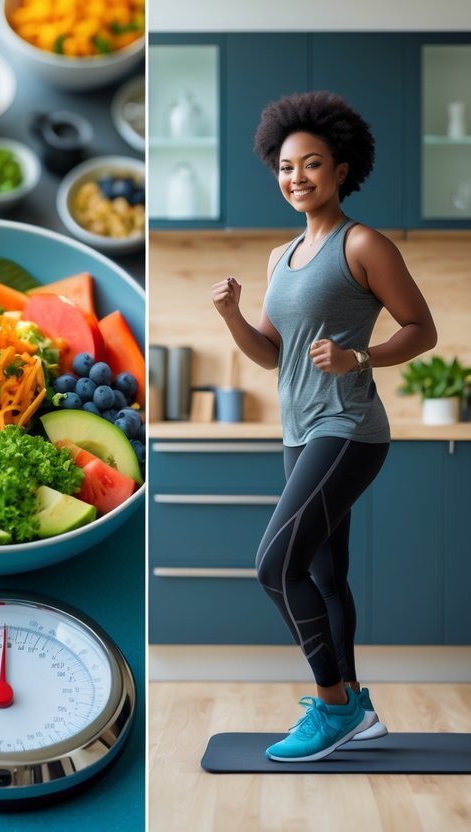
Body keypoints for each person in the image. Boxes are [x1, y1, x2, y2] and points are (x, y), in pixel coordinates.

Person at [211, 91, 437, 763]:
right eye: (285, 166)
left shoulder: (362, 242)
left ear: (340, 169)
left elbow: (421, 329)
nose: (296, 177)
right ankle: (357, 706)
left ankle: (332, 706)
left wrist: (356, 357)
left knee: (273, 565)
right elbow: (271, 353)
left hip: (348, 426)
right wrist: (231, 316)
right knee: (324, 573)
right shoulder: (280, 257)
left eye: (311, 164)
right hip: (299, 430)